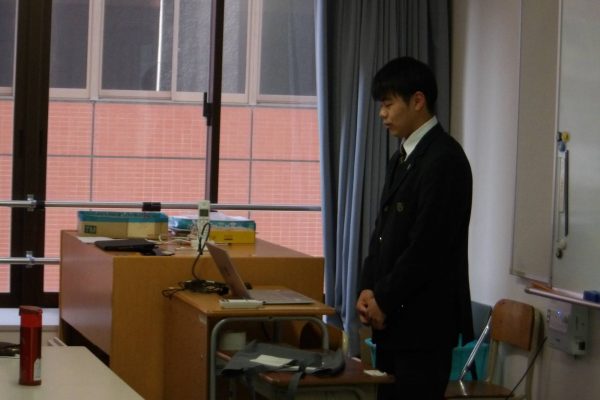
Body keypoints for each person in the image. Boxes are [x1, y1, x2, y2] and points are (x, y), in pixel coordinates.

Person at [356, 56, 474, 399]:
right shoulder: (402, 158)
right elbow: (381, 232)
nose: (382, 114)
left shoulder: (444, 159)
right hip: (393, 321)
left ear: (418, 101)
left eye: (389, 104)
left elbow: (427, 247)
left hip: (424, 325)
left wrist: (384, 298)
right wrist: (367, 289)